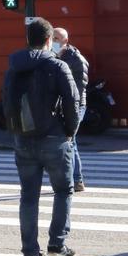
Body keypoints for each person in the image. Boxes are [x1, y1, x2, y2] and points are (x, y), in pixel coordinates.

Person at [5, 17, 81, 256]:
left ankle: (29, 251)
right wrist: (70, 131)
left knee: (28, 196)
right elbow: (73, 102)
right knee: (63, 190)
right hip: (54, 138)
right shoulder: (58, 66)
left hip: (23, 139)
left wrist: (15, 131)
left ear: (28, 40)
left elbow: (6, 101)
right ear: (49, 40)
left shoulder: (14, 66)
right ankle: (57, 242)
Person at [52, 27, 89, 192]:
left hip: (75, 105)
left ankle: (76, 180)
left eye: (56, 39)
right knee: (69, 142)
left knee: (70, 141)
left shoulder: (75, 59)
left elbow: (77, 90)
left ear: (65, 41)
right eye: (51, 38)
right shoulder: (54, 57)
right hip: (62, 105)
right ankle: (73, 179)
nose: (53, 42)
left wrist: (72, 110)